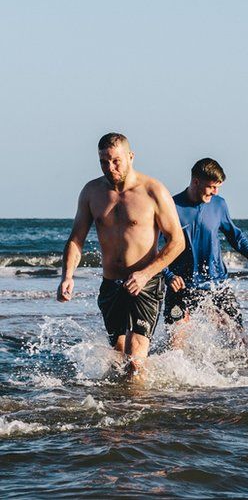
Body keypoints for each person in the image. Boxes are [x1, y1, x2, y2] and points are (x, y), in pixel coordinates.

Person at [57, 133, 185, 377]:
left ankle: (140, 410)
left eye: (116, 161)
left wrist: (146, 274)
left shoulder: (153, 191)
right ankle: (121, 407)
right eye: (104, 162)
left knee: (135, 361)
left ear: (131, 156)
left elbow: (177, 242)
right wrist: (67, 276)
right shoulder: (92, 192)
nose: (110, 167)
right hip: (111, 285)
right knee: (118, 359)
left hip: (146, 285)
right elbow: (76, 239)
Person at [162, 158, 248, 342]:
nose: (215, 192)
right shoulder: (171, 207)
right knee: (175, 342)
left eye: (218, 187)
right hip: (182, 285)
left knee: (240, 338)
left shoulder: (219, 204)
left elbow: (237, 238)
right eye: (211, 187)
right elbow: (152, 249)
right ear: (195, 181)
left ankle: (244, 371)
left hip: (217, 283)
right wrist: (168, 276)